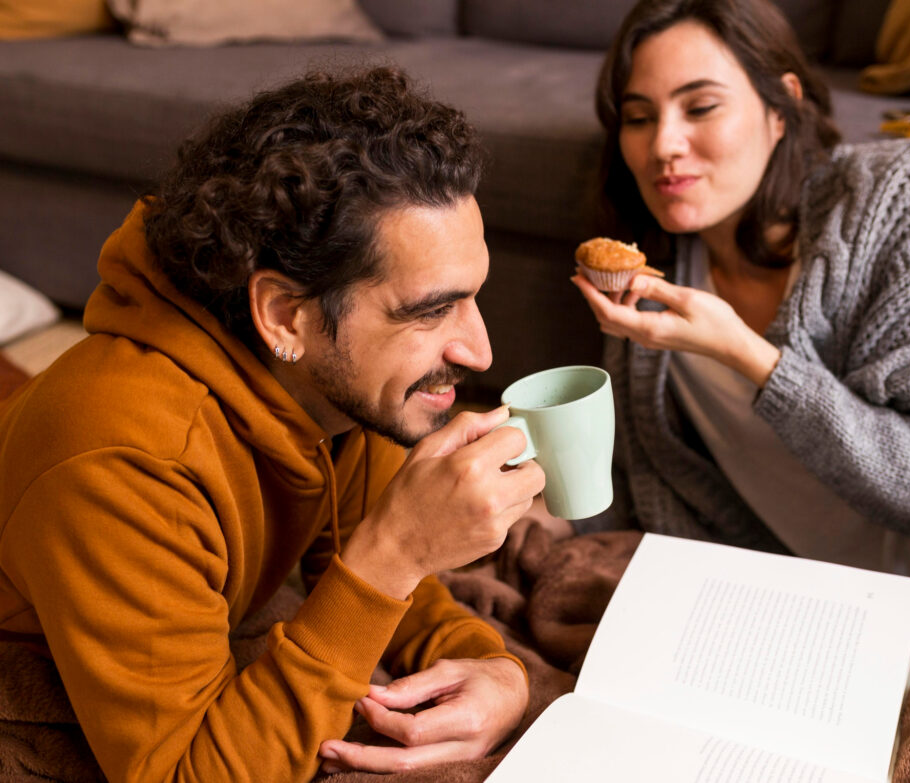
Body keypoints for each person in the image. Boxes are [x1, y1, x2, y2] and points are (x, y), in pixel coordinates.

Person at [0, 67, 546, 780]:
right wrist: (396, 548)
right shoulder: (122, 460)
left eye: (472, 296)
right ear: (286, 315)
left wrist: (498, 670)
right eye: (429, 310)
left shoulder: (341, 389)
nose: (480, 351)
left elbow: (396, 592)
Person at [554, 0, 910, 612]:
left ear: (781, 107)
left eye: (701, 107)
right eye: (639, 117)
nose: (663, 144)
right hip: (812, 600)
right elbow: (643, 482)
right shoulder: (647, 278)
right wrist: (542, 509)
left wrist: (751, 357)